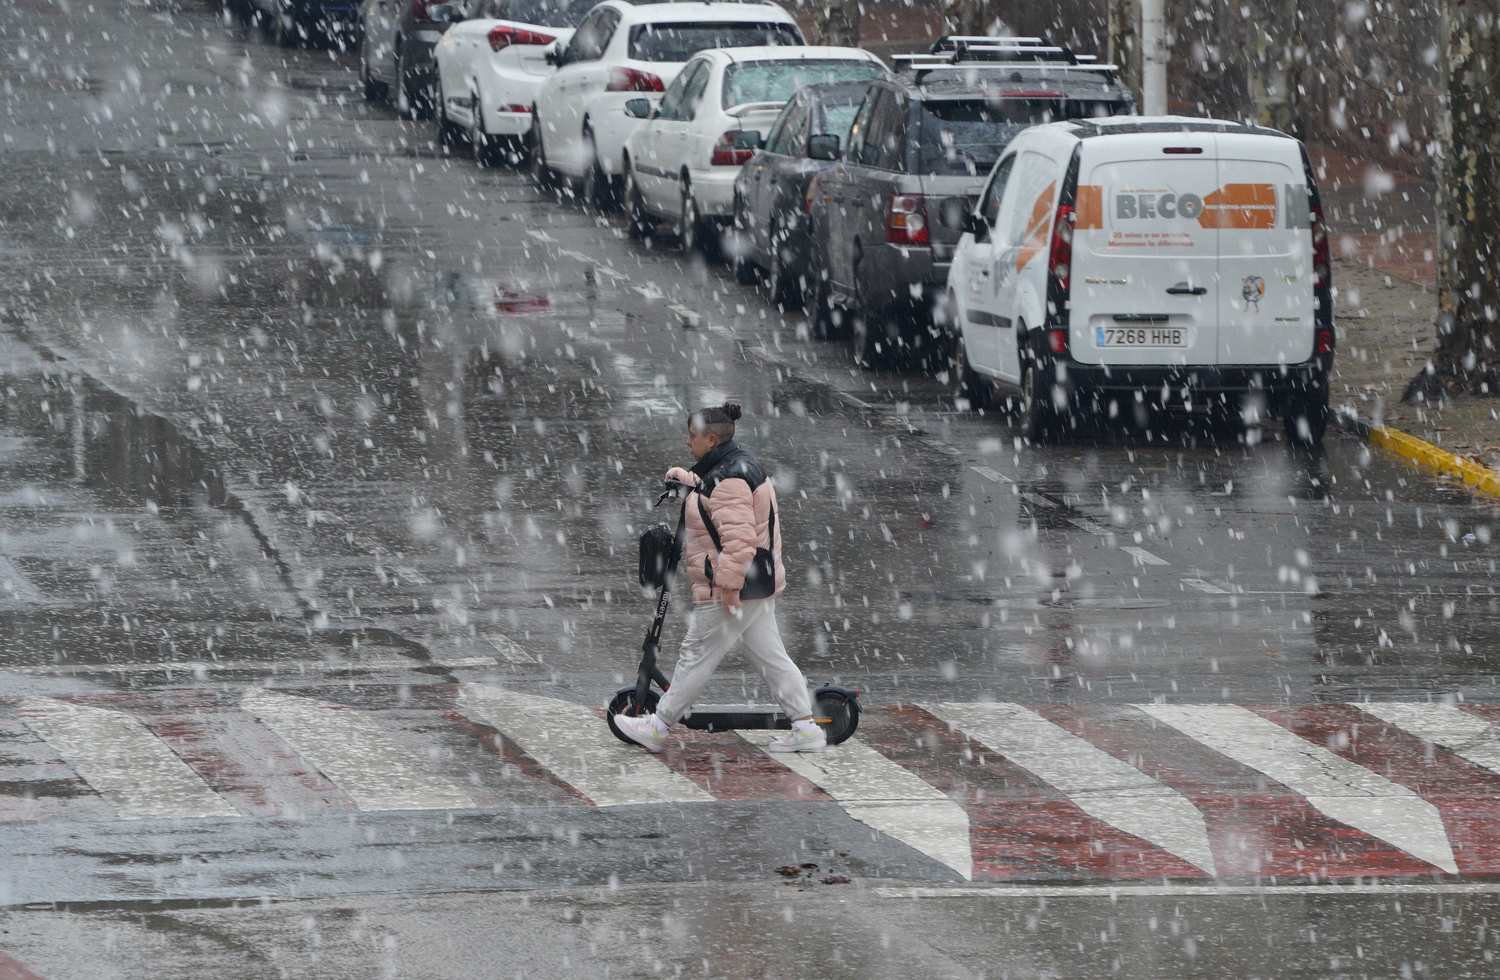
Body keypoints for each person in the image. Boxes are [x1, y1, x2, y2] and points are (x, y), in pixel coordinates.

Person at [613, 402, 825, 753]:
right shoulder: (734, 464)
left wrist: (728, 589)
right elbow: (716, 498)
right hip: (755, 584)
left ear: (711, 439)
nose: (687, 442)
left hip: (732, 587)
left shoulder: (728, 479)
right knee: (770, 656)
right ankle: (805, 728)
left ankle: (658, 726)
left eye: (692, 436)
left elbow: (739, 542)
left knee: (696, 654)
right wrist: (688, 481)